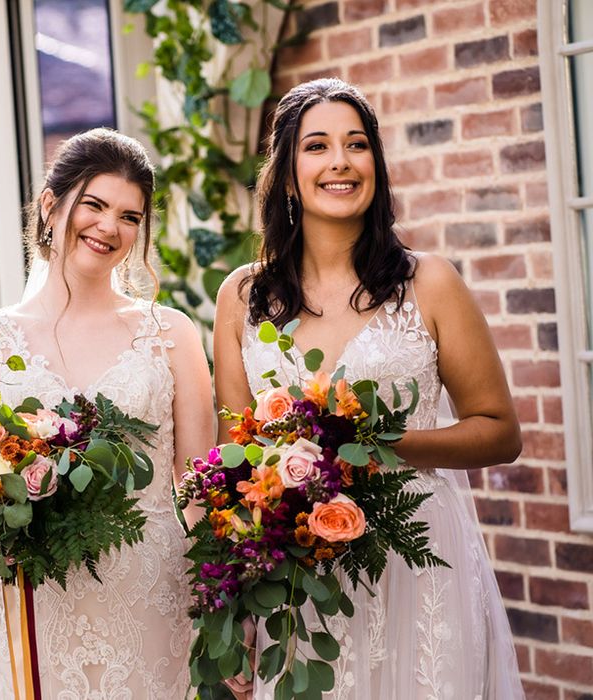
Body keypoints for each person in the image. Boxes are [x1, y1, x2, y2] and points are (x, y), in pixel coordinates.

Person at [213, 78, 525, 699]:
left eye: (356, 145)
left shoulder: (430, 283)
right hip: (299, 576)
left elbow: (500, 431)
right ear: (288, 171)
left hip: (419, 559)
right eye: (317, 146)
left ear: (375, 166)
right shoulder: (243, 297)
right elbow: (232, 459)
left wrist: (375, 443)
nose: (339, 162)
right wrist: (235, 608)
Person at [0, 128, 214, 699]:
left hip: (149, 595)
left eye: (130, 216)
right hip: (35, 595)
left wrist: (224, 604)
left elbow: (197, 488)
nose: (109, 227)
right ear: (51, 204)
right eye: (93, 204)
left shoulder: (171, 335)